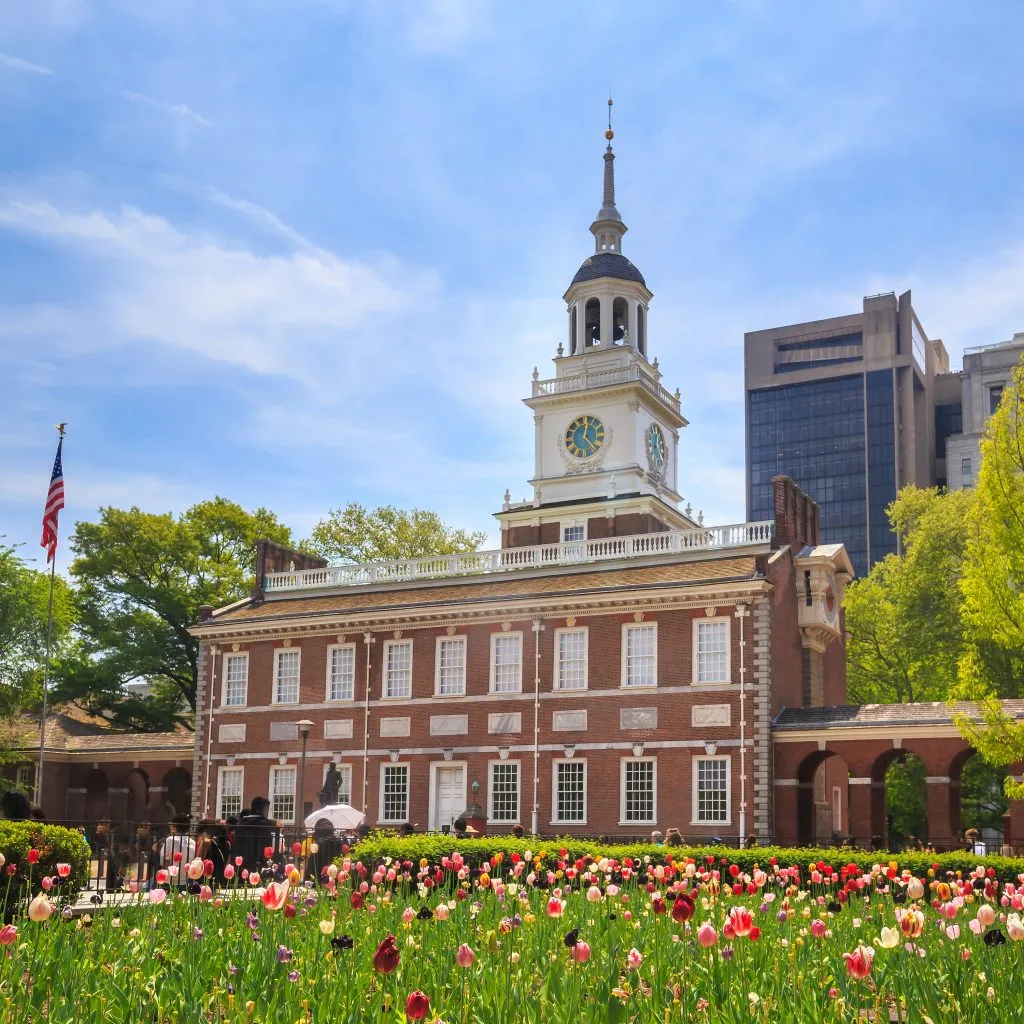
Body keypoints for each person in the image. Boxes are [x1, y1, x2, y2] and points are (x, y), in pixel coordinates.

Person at [234, 798, 275, 874]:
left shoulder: (241, 822)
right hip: (259, 859)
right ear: (260, 810)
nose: (267, 813)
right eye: (267, 810)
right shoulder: (265, 824)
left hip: (243, 859)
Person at [161, 815, 197, 883]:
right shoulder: (192, 842)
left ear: (175, 826)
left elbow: (162, 858)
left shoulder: (170, 839)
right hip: (186, 879)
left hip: (170, 879)